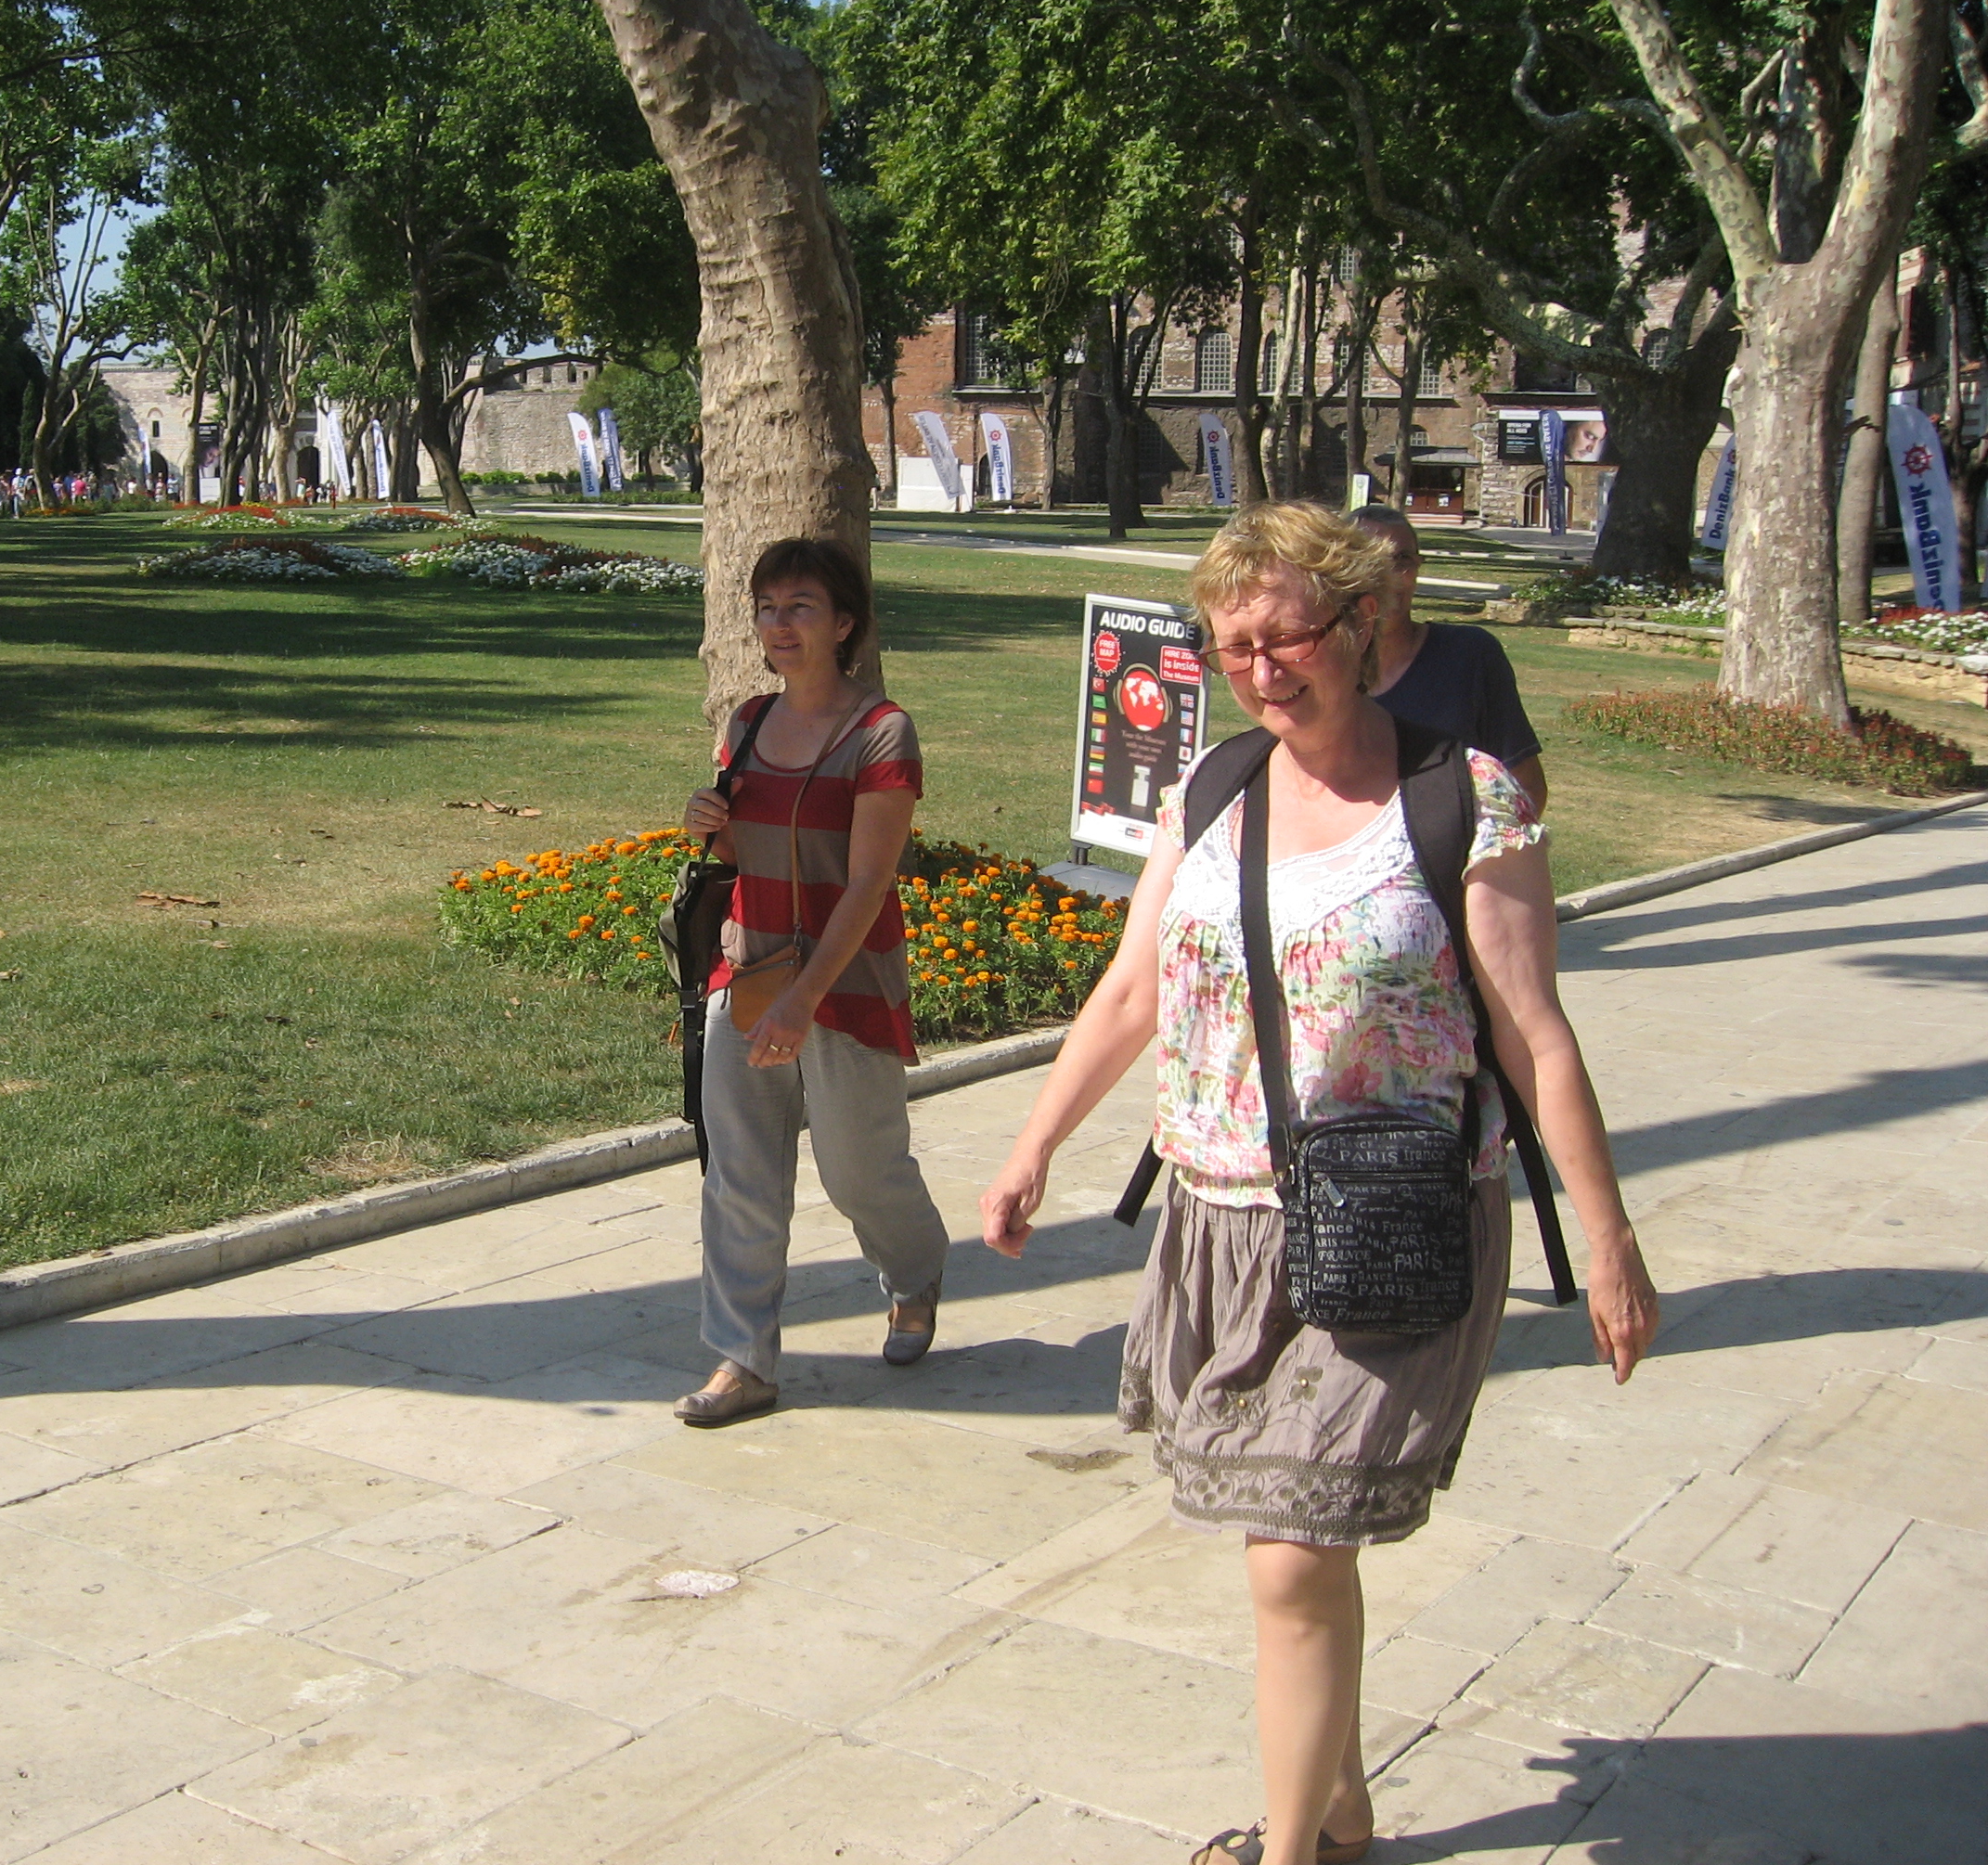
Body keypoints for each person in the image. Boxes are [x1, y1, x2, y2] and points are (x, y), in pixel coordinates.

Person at [979, 502, 1658, 1865]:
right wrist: (1033, 1143)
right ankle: (1339, 1812)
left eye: (1285, 637)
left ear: (1359, 623)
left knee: (1291, 1554)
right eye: (1232, 646)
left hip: (1395, 1220)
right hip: (1221, 1218)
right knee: (1294, 1542)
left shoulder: (1463, 796)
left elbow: (1533, 1033)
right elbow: (1131, 991)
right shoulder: (1211, 789)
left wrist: (1610, 1241)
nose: (1261, 669)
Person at [676, 537, 951, 1428]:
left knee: (859, 1170)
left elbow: (869, 882)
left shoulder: (881, 732)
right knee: (740, 1178)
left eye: (800, 607)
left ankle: (914, 1271)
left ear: (844, 624)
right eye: (768, 608)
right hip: (749, 970)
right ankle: (742, 1360)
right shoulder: (747, 723)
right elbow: (742, 852)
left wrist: (806, 1000)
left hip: (846, 978)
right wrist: (708, 825)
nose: (780, 624)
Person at [1348, 504, 1548, 813]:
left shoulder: (1468, 656)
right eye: (1370, 561)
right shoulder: (1318, 667)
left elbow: (1526, 787)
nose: (1389, 576)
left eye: (1402, 560)